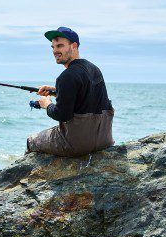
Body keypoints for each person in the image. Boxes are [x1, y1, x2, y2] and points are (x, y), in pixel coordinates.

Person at [26, 27, 114, 156]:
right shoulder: (94, 69)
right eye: (53, 47)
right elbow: (85, 96)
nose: (55, 51)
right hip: (103, 139)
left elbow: (62, 115)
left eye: (60, 46)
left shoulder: (66, 76)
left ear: (74, 46)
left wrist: (46, 104)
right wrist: (57, 91)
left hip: (77, 144)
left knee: (31, 140)